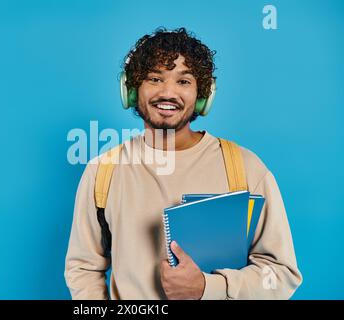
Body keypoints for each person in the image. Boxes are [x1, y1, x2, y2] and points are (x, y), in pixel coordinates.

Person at [64, 27, 302, 300]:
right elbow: (82, 267)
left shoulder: (247, 168)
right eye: (154, 78)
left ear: (203, 96)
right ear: (131, 89)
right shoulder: (102, 171)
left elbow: (281, 274)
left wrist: (207, 287)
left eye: (184, 81)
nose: (168, 92)